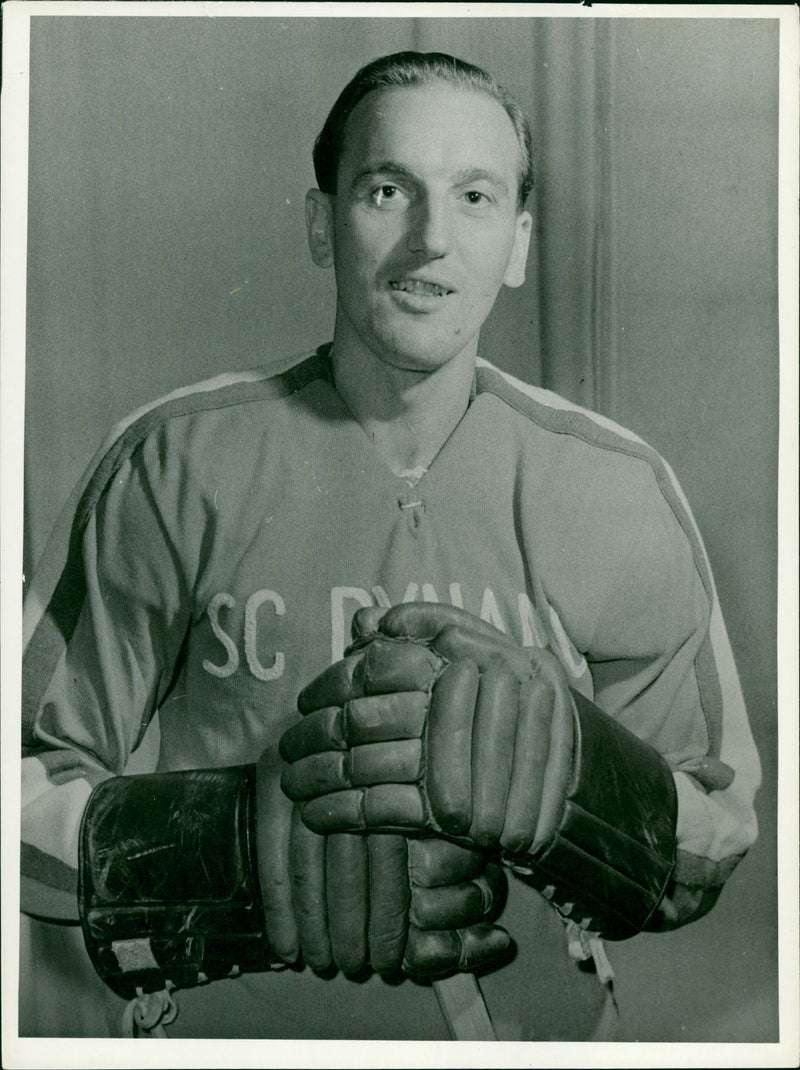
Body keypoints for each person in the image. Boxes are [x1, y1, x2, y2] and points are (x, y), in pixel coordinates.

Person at [21, 50, 761, 1043]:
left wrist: (589, 784)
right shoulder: (170, 461)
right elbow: (20, 781)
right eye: (385, 189)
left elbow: (711, 830)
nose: (429, 242)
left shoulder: (615, 486)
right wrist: (226, 855)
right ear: (322, 223)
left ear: (517, 241)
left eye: (473, 195)